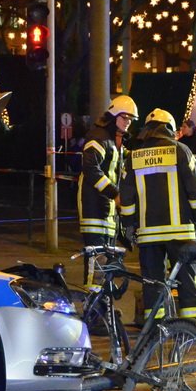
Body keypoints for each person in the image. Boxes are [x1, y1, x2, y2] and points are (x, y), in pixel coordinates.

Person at [119, 108, 196, 321]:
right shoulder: (181, 151)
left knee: (153, 284)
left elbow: (126, 197)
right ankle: (193, 329)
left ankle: (155, 330)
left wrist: (129, 225)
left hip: (148, 235)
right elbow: (194, 190)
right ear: (169, 129)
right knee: (187, 281)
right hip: (181, 232)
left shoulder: (134, 157)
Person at [77, 95, 136, 292]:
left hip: (107, 210)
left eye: (130, 120)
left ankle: (104, 308)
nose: (127, 123)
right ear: (113, 116)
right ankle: (94, 312)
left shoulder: (116, 143)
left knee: (107, 261)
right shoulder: (99, 137)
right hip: (93, 207)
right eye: (124, 118)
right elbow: (91, 168)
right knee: (96, 260)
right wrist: (114, 194)